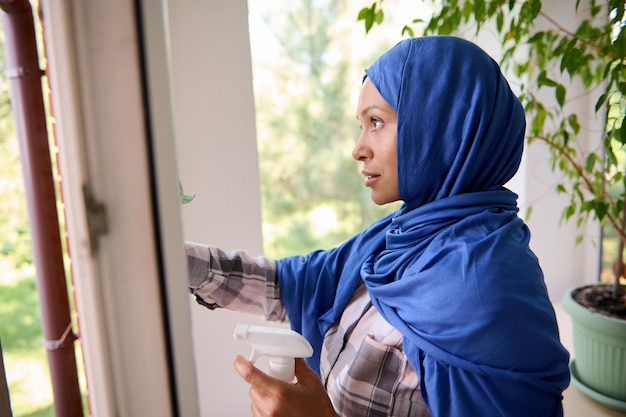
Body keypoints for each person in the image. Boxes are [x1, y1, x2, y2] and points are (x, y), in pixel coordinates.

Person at [186, 35, 571, 417]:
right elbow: (295, 283)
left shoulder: (488, 292)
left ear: (440, 126)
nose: (358, 149)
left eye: (376, 122)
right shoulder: (400, 235)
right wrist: (176, 259)